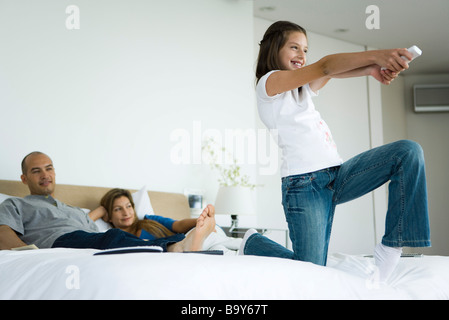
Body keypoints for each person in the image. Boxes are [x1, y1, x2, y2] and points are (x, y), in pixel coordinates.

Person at [255, 21, 431, 281]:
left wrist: (372, 69)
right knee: (311, 272)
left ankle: (391, 248)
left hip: (337, 175)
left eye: (305, 50)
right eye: (294, 47)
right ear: (273, 48)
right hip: (305, 187)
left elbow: (329, 73)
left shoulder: (300, 88)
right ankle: (253, 244)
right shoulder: (269, 83)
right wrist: (378, 55)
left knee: (407, 153)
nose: (302, 56)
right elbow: (325, 66)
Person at [0, 152, 215, 253]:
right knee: (113, 237)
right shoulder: (16, 204)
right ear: (24, 179)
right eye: (36, 171)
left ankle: (183, 242)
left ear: (55, 172)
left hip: (87, 239)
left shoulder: (71, 210)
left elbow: (88, 227)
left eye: (49, 168)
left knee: (109, 238)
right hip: (57, 242)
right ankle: (175, 248)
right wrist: (31, 254)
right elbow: (3, 233)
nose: (45, 174)